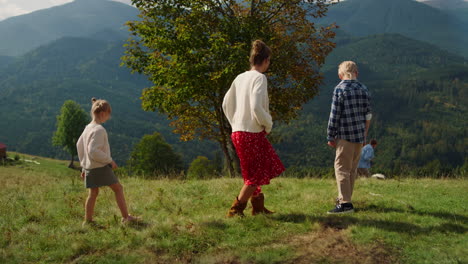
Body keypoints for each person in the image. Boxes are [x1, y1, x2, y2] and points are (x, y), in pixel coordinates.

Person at [222, 40, 285, 217]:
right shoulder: (260, 78)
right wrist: (268, 123)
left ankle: (257, 206)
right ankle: (236, 209)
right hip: (251, 132)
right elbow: (257, 106)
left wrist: (235, 122)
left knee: (255, 169)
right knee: (256, 174)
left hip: (238, 132)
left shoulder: (240, 78)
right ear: (265, 60)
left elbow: (226, 103)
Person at [77, 98, 139, 226]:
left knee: (93, 193)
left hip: (90, 167)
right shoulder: (99, 129)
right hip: (100, 166)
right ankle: (126, 217)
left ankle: (87, 221)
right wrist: (110, 160)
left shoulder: (88, 127)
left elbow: (79, 145)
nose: (109, 117)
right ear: (103, 113)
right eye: (109, 114)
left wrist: (84, 166)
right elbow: (93, 151)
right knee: (118, 189)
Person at [327, 61, 372, 214]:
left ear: (340, 75)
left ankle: (345, 204)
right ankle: (346, 199)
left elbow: (335, 115)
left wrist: (330, 135)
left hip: (344, 135)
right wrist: (364, 133)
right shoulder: (363, 88)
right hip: (359, 136)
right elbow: (368, 114)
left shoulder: (340, 89)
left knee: (341, 169)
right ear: (356, 73)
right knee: (352, 169)